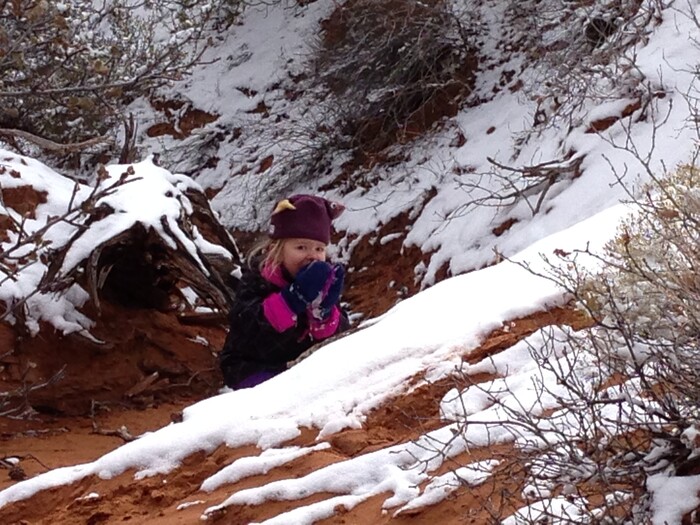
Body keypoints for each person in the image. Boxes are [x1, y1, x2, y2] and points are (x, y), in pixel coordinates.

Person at [219, 194, 349, 389]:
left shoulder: (323, 281)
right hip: (253, 366)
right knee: (276, 393)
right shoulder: (258, 280)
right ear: (276, 249)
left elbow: (342, 339)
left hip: (301, 366)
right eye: (301, 247)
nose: (311, 256)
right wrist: (291, 301)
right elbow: (247, 328)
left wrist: (324, 314)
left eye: (319, 249)